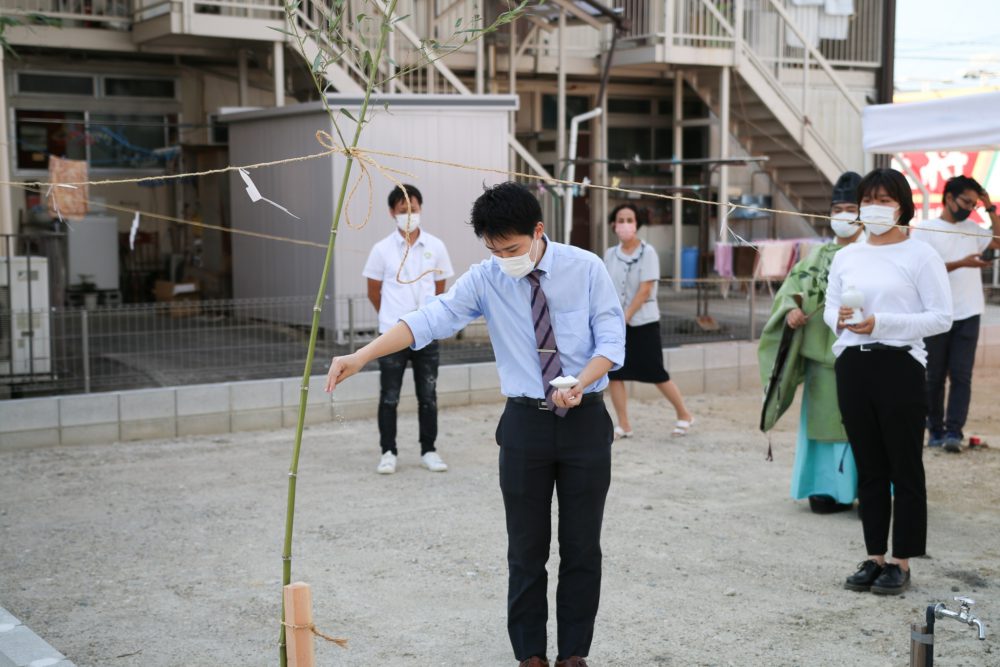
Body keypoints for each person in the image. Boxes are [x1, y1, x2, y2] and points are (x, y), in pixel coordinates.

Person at [327, 182, 625, 667]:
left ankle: (574, 656)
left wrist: (581, 381)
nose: (504, 258)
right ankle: (530, 657)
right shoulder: (486, 278)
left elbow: (612, 340)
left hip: (585, 421)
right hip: (525, 424)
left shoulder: (585, 268)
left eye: (512, 248)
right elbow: (428, 319)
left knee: (581, 548)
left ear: (538, 230)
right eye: (493, 249)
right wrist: (361, 355)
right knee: (526, 551)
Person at [824, 168, 952, 595]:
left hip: (900, 365)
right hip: (853, 365)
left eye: (884, 200)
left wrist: (884, 322)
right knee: (870, 465)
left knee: (905, 466)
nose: (874, 208)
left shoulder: (921, 255)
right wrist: (839, 319)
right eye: (868, 200)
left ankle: (903, 560)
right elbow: (831, 308)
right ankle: (874, 555)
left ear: (902, 207)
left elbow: (940, 317)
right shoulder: (847, 255)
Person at [758, 172, 863, 514]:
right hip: (822, 363)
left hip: (863, 355)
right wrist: (790, 312)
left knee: (864, 427)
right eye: (838, 209)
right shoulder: (816, 258)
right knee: (822, 429)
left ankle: (866, 490)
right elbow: (789, 293)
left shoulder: (872, 256)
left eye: (851, 208)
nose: (844, 216)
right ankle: (824, 489)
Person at [361, 184, 454, 474]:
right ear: (392, 213)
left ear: (421, 208)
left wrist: (426, 318)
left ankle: (429, 450)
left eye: (413, 208)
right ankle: (388, 451)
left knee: (428, 395)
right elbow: (373, 291)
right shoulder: (381, 250)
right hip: (392, 334)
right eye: (403, 210)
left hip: (427, 333)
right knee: (389, 396)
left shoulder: (436, 246)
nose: (409, 214)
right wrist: (393, 321)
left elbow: (440, 287)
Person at [910, 175, 999, 452]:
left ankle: (953, 433)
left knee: (962, 376)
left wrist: (990, 208)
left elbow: (997, 240)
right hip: (935, 312)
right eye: (966, 202)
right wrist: (962, 263)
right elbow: (924, 271)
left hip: (969, 312)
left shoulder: (973, 227)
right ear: (948, 198)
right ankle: (934, 430)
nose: (969, 208)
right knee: (934, 376)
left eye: (973, 204)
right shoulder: (925, 229)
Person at [602, 203, 693, 438]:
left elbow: (645, 289)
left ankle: (684, 414)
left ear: (637, 224)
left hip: (643, 322)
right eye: (620, 220)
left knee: (656, 372)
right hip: (617, 322)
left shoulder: (648, 252)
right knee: (615, 373)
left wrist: (626, 316)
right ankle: (624, 424)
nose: (624, 225)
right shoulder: (610, 254)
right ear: (613, 225)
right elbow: (605, 288)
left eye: (629, 220)